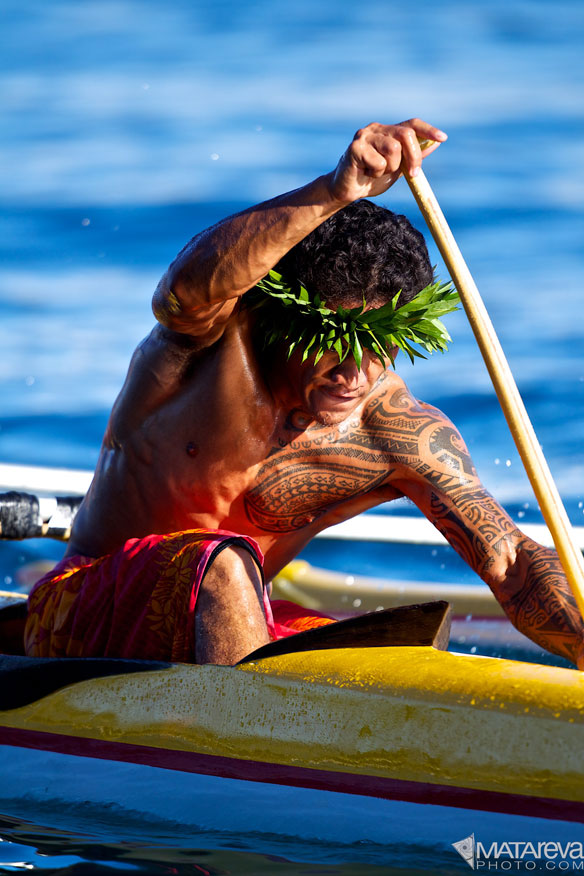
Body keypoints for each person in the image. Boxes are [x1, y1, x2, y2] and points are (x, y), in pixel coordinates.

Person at [24, 119, 584, 668]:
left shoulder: (398, 431)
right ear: (283, 317)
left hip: (236, 620)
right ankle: (237, 757)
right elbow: (183, 291)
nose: (356, 373)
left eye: (380, 343)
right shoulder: (213, 348)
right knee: (221, 563)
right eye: (334, 341)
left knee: (394, 646)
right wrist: (334, 191)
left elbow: (510, 564)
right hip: (82, 612)